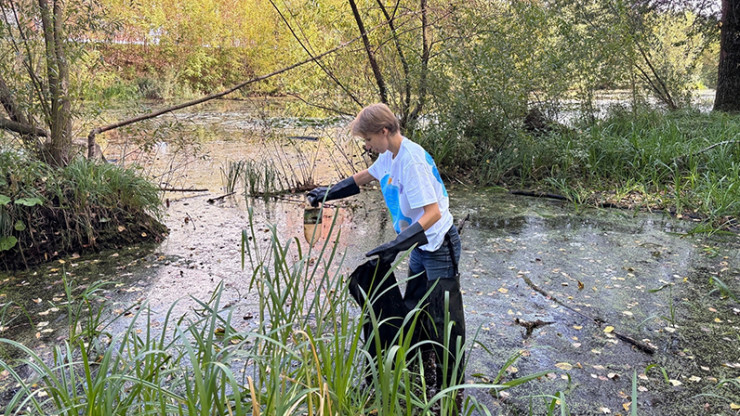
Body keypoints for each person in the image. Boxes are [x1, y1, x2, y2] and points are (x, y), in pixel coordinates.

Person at [307, 103, 466, 397]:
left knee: (445, 317)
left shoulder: (411, 161)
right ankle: (424, 361)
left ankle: (452, 387)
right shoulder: (389, 156)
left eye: (367, 139)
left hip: (438, 244)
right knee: (417, 305)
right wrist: (326, 192)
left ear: (383, 131)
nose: (366, 146)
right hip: (418, 245)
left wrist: (396, 245)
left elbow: (432, 214)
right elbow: (362, 178)